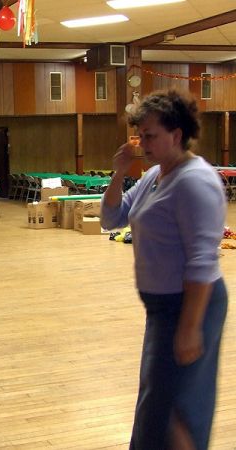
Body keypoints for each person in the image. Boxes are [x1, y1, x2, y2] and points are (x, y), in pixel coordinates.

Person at [100, 89, 228, 450]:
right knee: (159, 404)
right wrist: (119, 172)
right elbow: (111, 218)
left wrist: (190, 327)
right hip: (162, 308)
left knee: (175, 407)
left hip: (190, 306)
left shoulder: (195, 181)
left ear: (176, 135)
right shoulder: (155, 175)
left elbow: (202, 261)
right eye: (140, 135)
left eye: (150, 135)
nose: (142, 143)